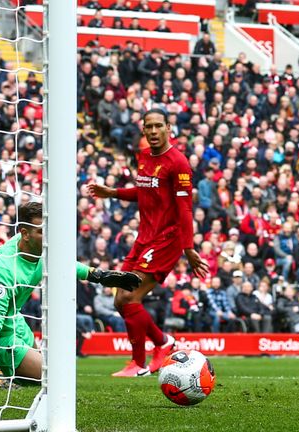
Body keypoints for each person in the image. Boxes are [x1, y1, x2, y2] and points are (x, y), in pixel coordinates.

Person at [0, 202, 141, 386]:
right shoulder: (3, 268)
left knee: (41, 371)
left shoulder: (41, 249)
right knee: (52, 377)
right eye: (41, 231)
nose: (48, 235)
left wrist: (99, 276)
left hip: (14, 320)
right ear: (25, 234)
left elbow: (64, 263)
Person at [89, 108, 209, 377]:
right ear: (143, 129)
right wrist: (113, 192)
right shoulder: (143, 157)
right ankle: (158, 346)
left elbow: (185, 209)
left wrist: (189, 249)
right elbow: (144, 192)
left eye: (158, 126)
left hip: (167, 240)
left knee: (130, 295)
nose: (153, 131)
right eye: (149, 127)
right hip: (144, 238)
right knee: (120, 299)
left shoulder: (178, 164)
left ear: (168, 127)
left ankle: (142, 359)